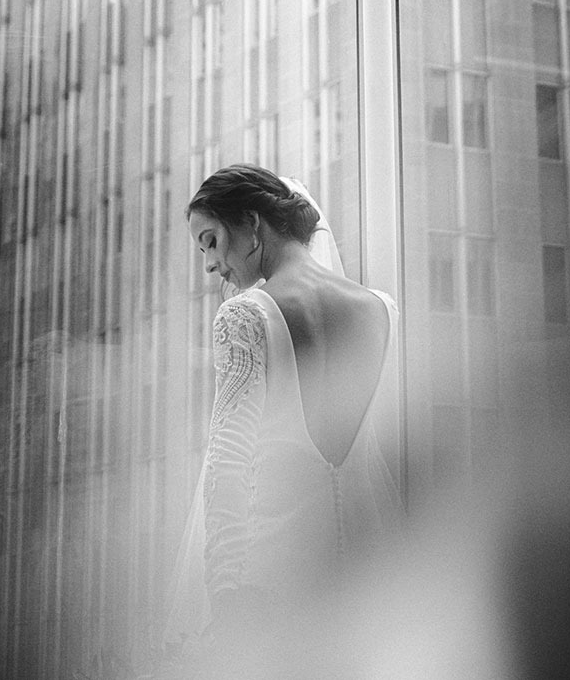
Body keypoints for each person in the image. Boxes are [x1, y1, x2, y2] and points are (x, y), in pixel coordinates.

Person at [163, 164, 400, 670]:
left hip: (270, 584)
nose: (209, 263)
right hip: (368, 579)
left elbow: (226, 463)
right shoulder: (381, 310)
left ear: (250, 223)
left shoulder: (244, 315)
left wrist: (224, 596)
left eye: (210, 240)